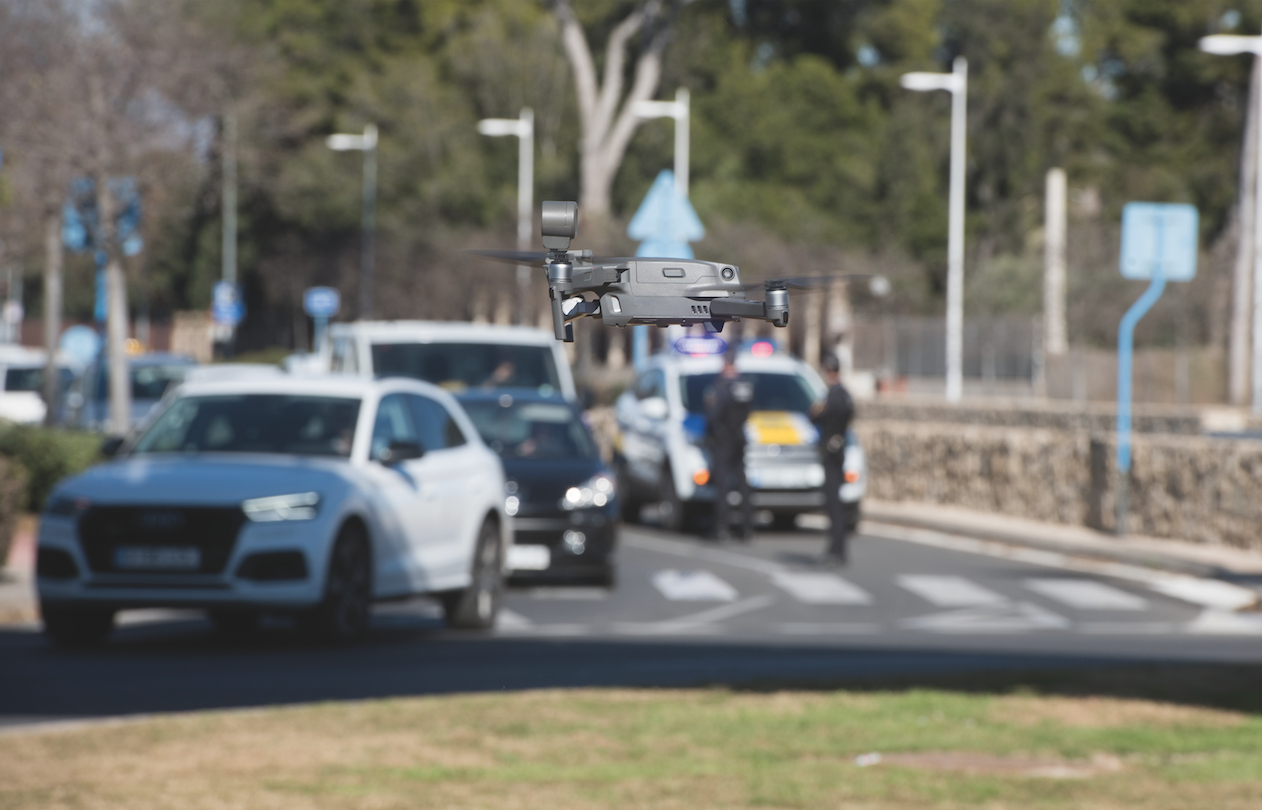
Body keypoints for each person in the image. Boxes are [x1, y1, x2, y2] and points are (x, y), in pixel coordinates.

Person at [706, 348, 755, 541]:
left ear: (725, 363)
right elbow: (748, 411)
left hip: (723, 439)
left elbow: (713, 414)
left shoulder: (720, 386)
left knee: (722, 485)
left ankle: (722, 527)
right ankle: (747, 527)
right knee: (743, 484)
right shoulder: (745, 386)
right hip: (740, 438)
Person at [811, 353, 855, 565]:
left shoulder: (832, 395)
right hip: (839, 450)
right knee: (835, 501)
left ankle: (836, 550)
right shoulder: (845, 394)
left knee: (833, 503)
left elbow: (816, 415)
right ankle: (837, 549)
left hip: (831, 452)